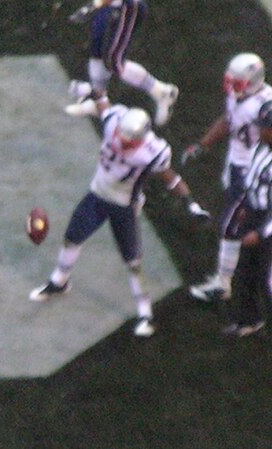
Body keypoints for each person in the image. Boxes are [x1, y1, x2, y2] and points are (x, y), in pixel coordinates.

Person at [30, 89, 210, 337]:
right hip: (97, 195)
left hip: (123, 206)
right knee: (72, 237)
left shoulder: (152, 152)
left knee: (133, 262)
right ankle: (59, 282)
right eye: (121, 136)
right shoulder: (115, 120)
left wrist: (191, 203)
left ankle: (145, 313)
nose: (122, 142)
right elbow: (103, 104)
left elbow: (170, 178)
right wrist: (95, 91)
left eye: (129, 140)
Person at [182, 52, 272, 303]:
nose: (232, 87)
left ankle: (223, 283)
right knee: (241, 222)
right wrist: (203, 144)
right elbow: (229, 120)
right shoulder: (240, 97)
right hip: (236, 166)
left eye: (238, 83)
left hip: (253, 173)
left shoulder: (266, 106)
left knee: (231, 225)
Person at [65, 0, 178, 126]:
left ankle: (162, 91)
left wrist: (93, 6)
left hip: (125, 5)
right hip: (108, 5)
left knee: (113, 60)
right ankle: (97, 101)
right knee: (96, 49)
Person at [220, 100, 272, 337]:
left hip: (267, 224)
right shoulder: (262, 148)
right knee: (247, 272)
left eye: (264, 126)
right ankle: (251, 320)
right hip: (256, 213)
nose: (259, 130)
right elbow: (252, 178)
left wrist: (260, 233)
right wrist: (245, 206)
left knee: (269, 280)